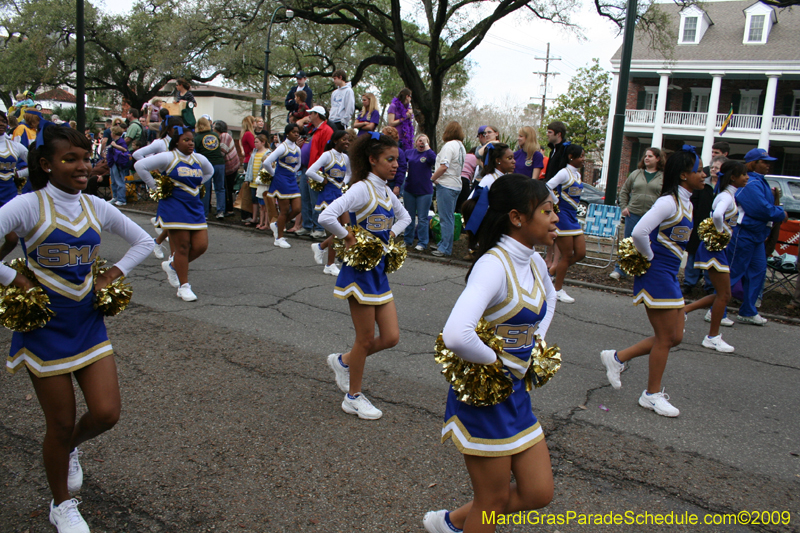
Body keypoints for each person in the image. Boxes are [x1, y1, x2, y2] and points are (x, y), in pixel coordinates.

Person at [1, 124, 152, 533]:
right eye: (71, 159)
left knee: (106, 413)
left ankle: (68, 451)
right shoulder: (27, 206)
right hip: (44, 328)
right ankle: (61, 504)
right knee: (60, 423)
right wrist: (13, 279)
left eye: (86, 158)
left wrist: (111, 276)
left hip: (88, 324)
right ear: (47, 165)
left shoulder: (96, 207)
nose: (83, 166)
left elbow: (144, 242)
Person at [423, 175, 557, 533]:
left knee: (539, 491)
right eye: (547, 210)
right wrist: (494, 365)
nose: (555, 217)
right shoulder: (493, 266)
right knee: (492, 501)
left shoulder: (535, 263)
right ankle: (457, 524)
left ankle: (450, 523)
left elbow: (550, 300)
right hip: (485, 400)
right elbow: (456, 333)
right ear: (517, 217)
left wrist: (536, 346)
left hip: (517, 398)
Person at [600, 147, 707, 418]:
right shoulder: (668, 202)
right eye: (699, 170)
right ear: (684, 175)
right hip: (657, 274)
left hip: (669, 274)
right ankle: (651, 394)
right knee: (665, 338)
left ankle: (617, 358)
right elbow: (639, 232)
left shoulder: (687, 202)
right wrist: (648, 258)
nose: (704, 174)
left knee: (676, 337)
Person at [318, 132, 410, 420]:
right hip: (359, 273)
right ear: (372, 160)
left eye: (397, 159)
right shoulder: (362, 189)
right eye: (389, 159)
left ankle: (344, 362)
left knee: (392, 337)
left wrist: (389, 237)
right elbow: (327, 216)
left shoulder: (386, 191)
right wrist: (348, 237)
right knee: (366, 338)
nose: (395, 164)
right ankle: (353, 396)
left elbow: (405, 217)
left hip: (379, 271)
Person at [134, 126, 214, 301]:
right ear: (176, 141)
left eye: (192, 140)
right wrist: (155, 186)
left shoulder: (199, 159)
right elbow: (140, 165)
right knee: (183, 247)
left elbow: (210, 172)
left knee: (201, 246)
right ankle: (183, 287)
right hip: (174, 206)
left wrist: (198, 184)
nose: (190, 143)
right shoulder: (168, 157)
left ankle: (172, 265)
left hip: (194, 206)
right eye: (186, 140)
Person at [684, 160, 750, 352]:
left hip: (717, 248)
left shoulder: (728, 195)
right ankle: (712, 337)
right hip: (715, 249)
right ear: (733, 177)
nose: (747, 177)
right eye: (743, 174)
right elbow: (718, 215)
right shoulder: (726, 197)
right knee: (724, 294)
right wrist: (720, 233)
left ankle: (684, 311)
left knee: (721, 293)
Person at [727, 148, 787, 325]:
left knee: (758, 272)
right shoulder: (750, 182)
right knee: (734, 271)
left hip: (757, 235)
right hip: (744, 233)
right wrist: (780, 213)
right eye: (764, 162)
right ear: (752, 163)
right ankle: (716, 309)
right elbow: (759, 208)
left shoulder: (758, 181)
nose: (768, 165)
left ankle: (748, 311)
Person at [610, 147, 665, 280]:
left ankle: (645, 270)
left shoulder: (663, 176)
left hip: (652, 216)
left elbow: (666, 195)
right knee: (628, 241)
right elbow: (624, 191)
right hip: (633, 214)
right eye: (645, 156)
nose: (646, 158)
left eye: (650, 156)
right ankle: (620, 269)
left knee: (650, 243)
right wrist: (624, 207)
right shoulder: (636, 174)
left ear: (658, 158)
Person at [546, 144, 587, 304]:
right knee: (567, 254)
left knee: (581, 253)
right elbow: (547, 185)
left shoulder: (577, 174)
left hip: (573, 218)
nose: (583, 159)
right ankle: (557, 290)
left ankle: (551, 273)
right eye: (581, 156)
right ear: (571, 156)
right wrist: (556, 201)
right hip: (563, 218)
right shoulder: (564, 172)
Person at [308, 130, 351, 275]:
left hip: (340, 195)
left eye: (348, 140)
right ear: (335, 140)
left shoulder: (345, 157)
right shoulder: (327, 155)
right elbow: (310, 171)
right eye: (344, 139)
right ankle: (329, 265)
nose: (347, 142)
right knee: (336, 231)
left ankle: (320, 246)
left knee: (346, 229)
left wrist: (344, 183)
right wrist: (322, 180)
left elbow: (349, 173)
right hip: (327, 196)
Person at [683, 154, 724, 294]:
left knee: (711, 256)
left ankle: (710, 285)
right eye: (712, 167)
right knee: (693, 254)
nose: (713, 170)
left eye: (717, 168)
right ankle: (689, 283)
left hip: (716, 227)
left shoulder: (724, 188)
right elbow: (693, 202)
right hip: (699, 224)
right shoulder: (701, 184)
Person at [263, 123, 302, 248]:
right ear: (287, 133)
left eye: (297, 132)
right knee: (284, 210)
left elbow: (298, 164)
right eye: (293, 132)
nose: (296, 134)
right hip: (281, 180)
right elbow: (267, 162)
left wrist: (293, 171)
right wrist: (275, 174)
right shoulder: (282, 147)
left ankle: (277, 225)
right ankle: (279, 238)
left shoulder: (297, 149)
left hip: (291, 179)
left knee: (297, 208)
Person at [431, 122, 467, 258]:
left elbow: (444, 166)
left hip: (446, 184)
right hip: (456, 184)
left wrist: (432, 178)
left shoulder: (449, 145)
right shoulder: (461, 146)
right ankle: (444, 243)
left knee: (445, 218)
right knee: (449, 217)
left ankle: (445, 247)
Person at [298, 106, 332, 238]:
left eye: (311, 114)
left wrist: (320, 171)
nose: (309, 116)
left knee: (316, 200)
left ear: (317, 115)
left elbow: (326, 151)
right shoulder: (313, 130)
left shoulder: (326, 130)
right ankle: (307, 225)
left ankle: (319, 227)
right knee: (305, 198)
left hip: (316, 171)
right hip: (306, 169)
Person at [0, 110, 27, 260]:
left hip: (9, 195)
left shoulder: (15, 146)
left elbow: (35, 163)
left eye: (3, 121)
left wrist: (20, 174)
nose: (1, 124)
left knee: (12, 240)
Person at [404, 134, 436, 251]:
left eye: (424, 141)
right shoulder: (409, 152)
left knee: (422, 218)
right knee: (409, 217)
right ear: (415, 142)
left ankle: (422, 242)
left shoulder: (429, 154)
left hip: (425, 191)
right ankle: (408, 240)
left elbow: (434, 160)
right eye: (420, 141)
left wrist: (427, 147)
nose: (421, 143)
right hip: (409, 190)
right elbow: (402, 165)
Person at [194, 117, 226, 220]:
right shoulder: (215, 135)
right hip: (219, 163)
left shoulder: (198, 138)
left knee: (205, 189)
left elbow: (196, 153)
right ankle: (221, 211)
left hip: (206, 165)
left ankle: (204, 213)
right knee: (220, 188)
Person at [243, 134, 271, 230]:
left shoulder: (268, 153)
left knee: (263, 203)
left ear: (263, 142)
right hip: (253, 180)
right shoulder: (254, 152)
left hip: (261, 182)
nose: (255, 144)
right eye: (254, 142)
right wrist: (247, 178)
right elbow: (250, 166)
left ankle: (263, 221)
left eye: (257, 142)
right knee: (254, 201)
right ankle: (255, 218)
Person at [214, 120, 239, 216]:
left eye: (214, 126)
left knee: (227, 188)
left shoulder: (224, 136)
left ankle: (229, 210)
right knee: (226, 187)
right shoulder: (222, 136)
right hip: (229, 166)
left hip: (230, 166)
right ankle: (227, 208)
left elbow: (223, 150)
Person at [106, 126, 130, 207]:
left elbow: (124, 150)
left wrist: (115, 146)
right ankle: (115, 197)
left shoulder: (120, 142)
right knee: (113, 181)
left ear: (114, 133)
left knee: (119, 181)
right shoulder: (116, 141)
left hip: (118, 163)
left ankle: (121, 199)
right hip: (113, 163)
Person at [238, 116, 256, 223]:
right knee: (250, 191)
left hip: (247, 160)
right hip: (250, 161)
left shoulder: (244, 134)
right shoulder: (249, 134)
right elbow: (255, 147)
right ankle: (247, 214)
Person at [382, 126, 406, 196]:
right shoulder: (380, 150)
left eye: (385, 136)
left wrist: (397, 186)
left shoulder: (399, 152)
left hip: (393, 183)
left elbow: (401, 169)